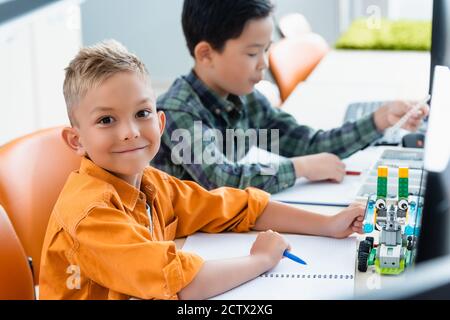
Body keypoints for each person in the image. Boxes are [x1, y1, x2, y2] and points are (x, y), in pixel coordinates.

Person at [39, 40, 365, 300]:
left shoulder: (152, 183)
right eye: (106, 120)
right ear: (76, 140)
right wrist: (262, 260)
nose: (130, 132)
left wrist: (327, 225)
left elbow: (236, 208)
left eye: (142, 113)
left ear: (160, 121)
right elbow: (182, 284)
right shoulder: (91, 215)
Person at [153, 0, 429, 194]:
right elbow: (222, 181)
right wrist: (301, 168)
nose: (264, 63)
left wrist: (378, 120)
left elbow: (308, 144)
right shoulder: (178, 111)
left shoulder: (246, 98)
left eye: (266, 50)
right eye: (252, 53)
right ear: (206, 54)